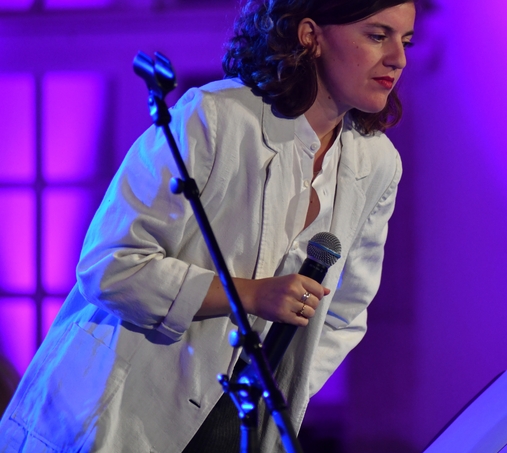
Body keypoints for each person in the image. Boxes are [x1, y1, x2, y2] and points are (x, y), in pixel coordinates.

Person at [0, 0, 415, 451]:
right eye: (378, 36)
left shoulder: (377, 163)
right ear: (310, 35)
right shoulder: (214, 116)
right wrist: (250, 294)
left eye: (406, 41)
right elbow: (111, 266)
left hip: (244, 424)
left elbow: (344, 313)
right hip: (118, 412)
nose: (398, 58)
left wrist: (272, 391)